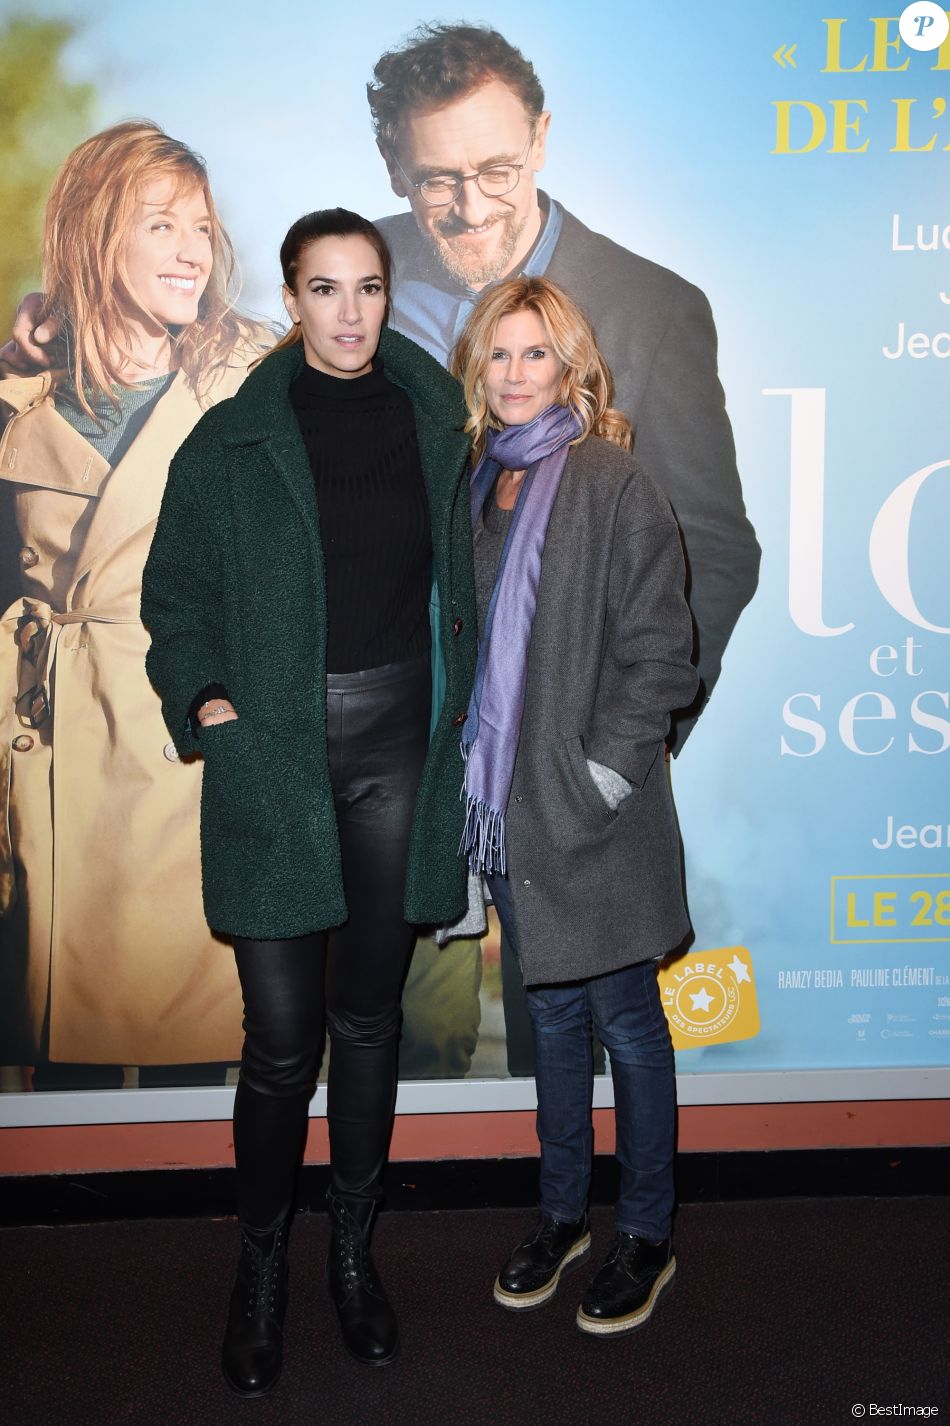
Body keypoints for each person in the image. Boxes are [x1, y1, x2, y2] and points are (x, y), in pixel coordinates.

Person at [367, 21, 760, 1076]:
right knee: (404, 1048)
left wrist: (614, 756)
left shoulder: (654, 309)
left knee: (578, 1046)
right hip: (402, 757)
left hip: (567, 765)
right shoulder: (354, 284)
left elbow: (712, 548)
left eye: (496, 166)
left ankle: (599, 1226)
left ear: (541, 139)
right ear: (393, 166)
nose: (472, 203)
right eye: (436, 177)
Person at [140, 208, 477, 1391]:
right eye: (323, 288)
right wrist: (212, 703)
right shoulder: (229, 443)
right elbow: (172, 596)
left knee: (369, 1021)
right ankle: (262, 1264)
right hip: (276, 758)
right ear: (289, 298)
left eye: (368, 287)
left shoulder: (443, 426)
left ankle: (350, 1253)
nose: (348, 311)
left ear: (389, 295)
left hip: (398, 744)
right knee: (280, 1043)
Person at [450, 274, 699, 1335]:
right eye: (497, 355)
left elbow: (660, 656)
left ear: (571, 366)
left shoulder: (609, 479)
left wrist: (597, 775)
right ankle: (561, 1216)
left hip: (592, 812)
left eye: (533, 355)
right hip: (505, 809)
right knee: (549, 1018)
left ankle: (644, 1231)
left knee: (627, 1026)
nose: (513, 375)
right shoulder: (475, 480)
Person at [0, 121, 265, 1076]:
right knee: (59, 1059)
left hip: (179, 739)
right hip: (52, 747)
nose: (194, 249)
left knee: (189, 1049)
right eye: (161, 225)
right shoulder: (21, 399)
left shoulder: (250, 381)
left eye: (201, 226)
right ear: (92, 232)